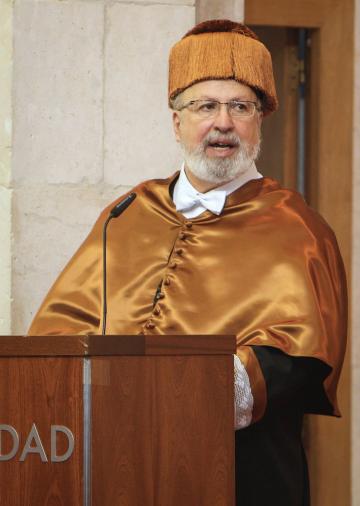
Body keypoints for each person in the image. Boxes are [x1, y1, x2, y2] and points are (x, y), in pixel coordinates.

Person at [28, 19, 347, 505]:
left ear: (260, 120)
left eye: (240, 106)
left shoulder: (297, 227)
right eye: (205, 105)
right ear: (176, 121)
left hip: (243, 478)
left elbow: (298, 363)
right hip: (115, 472)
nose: (223, 122)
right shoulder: (127, 214)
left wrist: (183, 395)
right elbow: (57, 336)